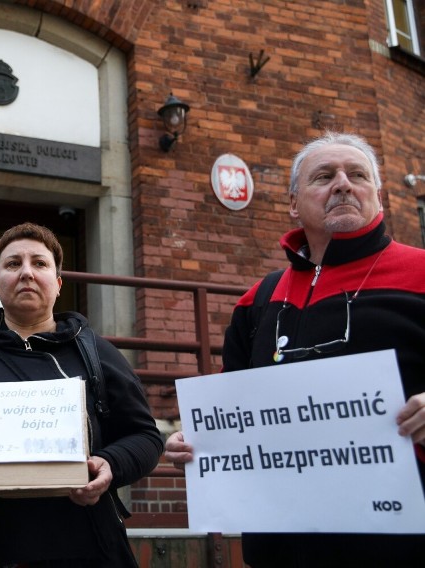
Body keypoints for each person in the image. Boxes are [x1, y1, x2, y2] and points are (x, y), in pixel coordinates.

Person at [164, 132, 425, 567]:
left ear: (377, 195)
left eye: (357, 175)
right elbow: (236, 420)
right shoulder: (257, 301)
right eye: (324, 176)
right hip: (280, 549)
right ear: (293, 203)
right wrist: (198, 447)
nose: (342, 183)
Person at [0, 222, 164, 567]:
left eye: (39, 263)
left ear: (58, 283)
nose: (26, 273)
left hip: (82, 548)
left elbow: (145, 436)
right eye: (12, 264)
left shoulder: (97, 354)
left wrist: (110, 464)